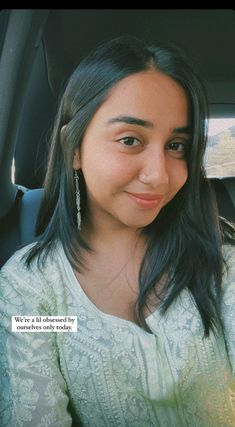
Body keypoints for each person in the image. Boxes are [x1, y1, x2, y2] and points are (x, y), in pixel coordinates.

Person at [0, 35, 235, 427]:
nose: (160, 175)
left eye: (177, 146)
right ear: (74, 148)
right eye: (130, 140)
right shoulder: (33, 292)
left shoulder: (220, 259)